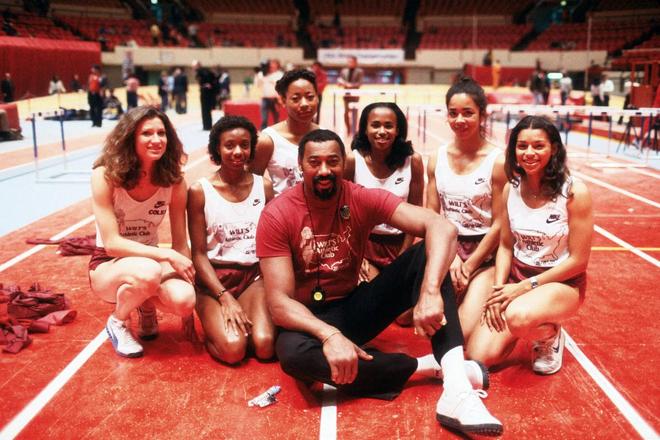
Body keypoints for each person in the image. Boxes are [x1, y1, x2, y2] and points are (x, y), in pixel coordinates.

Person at [256, 128, 503, 436]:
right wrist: (329, 335)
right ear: (300, 165)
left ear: (343, 163)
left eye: (332, 161)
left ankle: (457, 390)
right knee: (295, 359)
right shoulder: (277, 214)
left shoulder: (359, 197)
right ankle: (428, 366)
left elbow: (441, 226)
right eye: (314, 162)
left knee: (425, 257)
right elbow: (279, 303)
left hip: (354, 307)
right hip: (305, 319)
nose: (324, 170)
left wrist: (429, 292)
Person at [467, 115, 592, 376]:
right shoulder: (510, 190)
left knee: (517, 317)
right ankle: (525, 319)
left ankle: (549, 336)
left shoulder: (574, 193)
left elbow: (578, 261)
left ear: (553, 149)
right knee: (478, 356)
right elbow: (505, 246)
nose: (529, 153)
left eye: (538, 146)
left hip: (560, 283)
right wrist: (498, 291)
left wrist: (525, 287)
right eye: (522, 146)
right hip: (518, 278)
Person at [88, 106, 197, 358]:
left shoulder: (174, 181)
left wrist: (188, 306)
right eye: (147, 133)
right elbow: (112, 243)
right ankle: (118, 321)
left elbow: (181, 242)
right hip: (108, 264)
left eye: (162, 133)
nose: (156, 139)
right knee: (148, 271)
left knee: (184, 300)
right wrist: (166, 255)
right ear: (130, 137)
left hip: (150, 262)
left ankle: (144, 303)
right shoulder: (105, 175)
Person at [188, 116, 276, 364]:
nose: (238, 152)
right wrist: (224, 296)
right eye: (229, 145)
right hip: (214, 280)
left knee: (265, 346)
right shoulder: (199, 191)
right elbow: (198, 255)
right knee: (234, 349)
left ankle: (244, 314)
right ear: (217, 148)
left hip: (253, 278)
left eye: (244, 145)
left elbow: (272, 243)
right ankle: (211, 328)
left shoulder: (264, 187)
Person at [426, 77, 506, 342]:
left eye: (468, 113)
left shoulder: (497, 162)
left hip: (484, 254)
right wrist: (449, 257)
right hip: (447, 246)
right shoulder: (436, 158)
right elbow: (431, 215)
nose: (459, 120)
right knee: (415, 317)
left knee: (461, 333)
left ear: (483, 115)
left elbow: (500, 224)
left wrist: (469, 265)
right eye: (453, 113)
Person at [344, 102, 423, 287]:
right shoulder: (353, 160)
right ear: (365, 129)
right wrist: (356, 252)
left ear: (398, 130)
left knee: (401, 303)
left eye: (388, 126)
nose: (382, 131)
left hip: (400, 245)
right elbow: (343, 210)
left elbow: (416, 211)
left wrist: (403, 254)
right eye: (375, 125)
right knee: (373, 292)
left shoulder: (413, 161)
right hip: (364, 244)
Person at [249, 69, 319, 197]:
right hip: (282, 209)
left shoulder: (327, 138)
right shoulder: (268, 140)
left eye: (310, 97)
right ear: (282, 100)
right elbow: (251, 186)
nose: (304, 104)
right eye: (296, 99)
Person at [337, 55, 363, 137]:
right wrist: (340, 82)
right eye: (348, 61)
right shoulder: (344, 71)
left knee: (354, 114)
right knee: (346, 113)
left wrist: (349, 85)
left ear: (355, 62)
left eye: (351, 61)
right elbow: (339, 83)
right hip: (346, 96)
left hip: (355, 96)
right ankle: (348, 129)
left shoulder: (359, 71)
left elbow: (359, 83)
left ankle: (353, 131)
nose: (349, 63)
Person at [256, 59, 284, 130]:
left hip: (275, 99)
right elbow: (258, 85)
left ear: (277, 66)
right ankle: (263, 131)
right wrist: (261, 75)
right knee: (264, 119)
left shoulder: (279, 74)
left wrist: (280, 98)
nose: (272, 66)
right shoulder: (262, 74)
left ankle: (278, 131)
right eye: (270, 65)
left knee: (276, 117)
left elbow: (280, 86)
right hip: (265, 98)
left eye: (274, 65)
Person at [193, 60, 217, 130]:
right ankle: (207, 125)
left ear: (198, 65)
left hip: (205, 93)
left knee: (205, 110)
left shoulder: (202, 72)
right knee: (206, 110)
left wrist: (207, 85)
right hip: (207, 92)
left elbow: (207, 81)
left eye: (194, 66)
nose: (193, 68)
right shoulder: (205, 71)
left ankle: (207, 126)